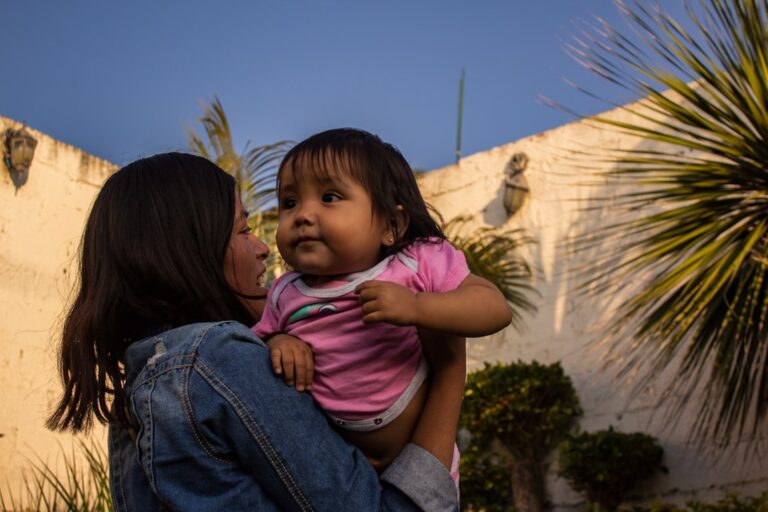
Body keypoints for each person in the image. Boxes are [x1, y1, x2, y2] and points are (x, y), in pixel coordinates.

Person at [46, 152, 463, 511]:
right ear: (189, 253)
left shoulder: (146, 382)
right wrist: (449, 370)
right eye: (243, 230)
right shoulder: (214, 361)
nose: (263, 246)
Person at [253, 129, 513, 478]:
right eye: (289, 202)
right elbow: (257, 345)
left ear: (392, 225)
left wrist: (418, 307)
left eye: (329, 197)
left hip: (417, 459)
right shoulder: (285, 291)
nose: (302, 215)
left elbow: (494, 308)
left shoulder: (415, 262)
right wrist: (278, 341)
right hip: (336, 464)